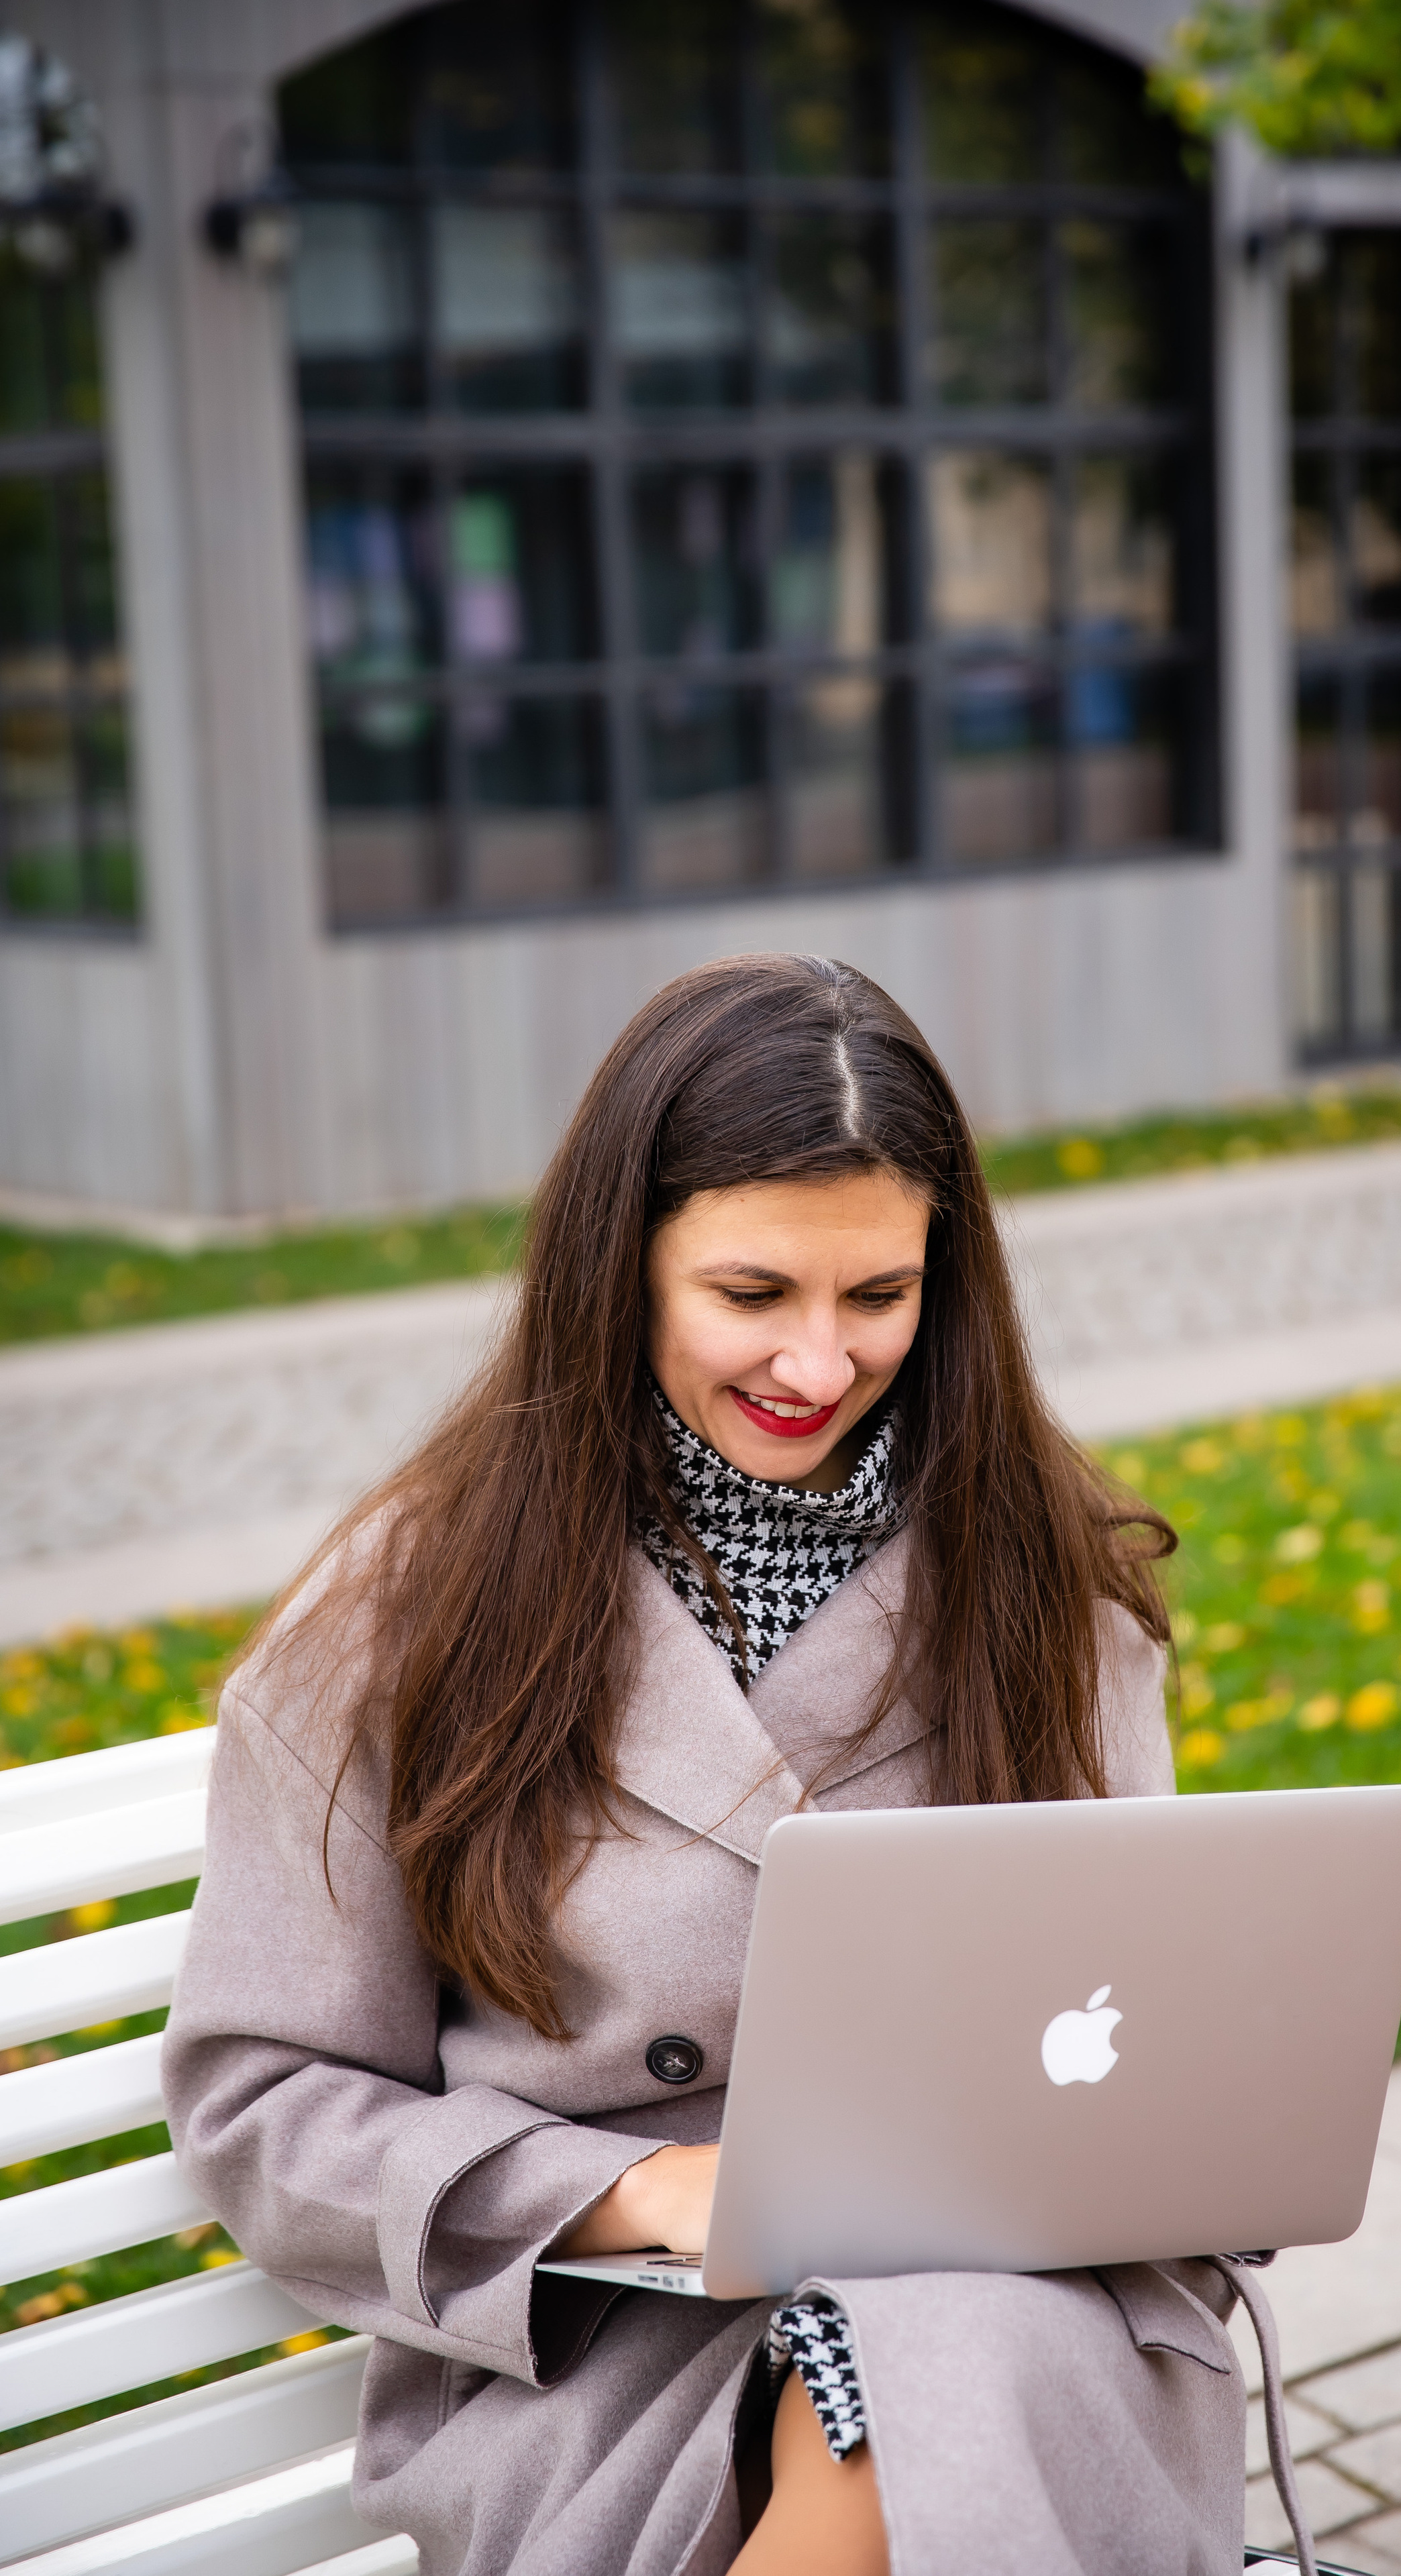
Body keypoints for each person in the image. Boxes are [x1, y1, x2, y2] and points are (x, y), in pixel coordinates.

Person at [162, 953, 1250, 2576]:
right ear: (620, 1268)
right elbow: (264, 2103)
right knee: (928, 2387)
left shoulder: (1039, 1577)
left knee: (949, 2354)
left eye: (876, 1297)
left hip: (1021, 2306)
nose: (817, 1369)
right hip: (604, 2357)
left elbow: (1135, 2025)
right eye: (752, 1297)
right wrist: (655, 2193)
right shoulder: (406, 1613)